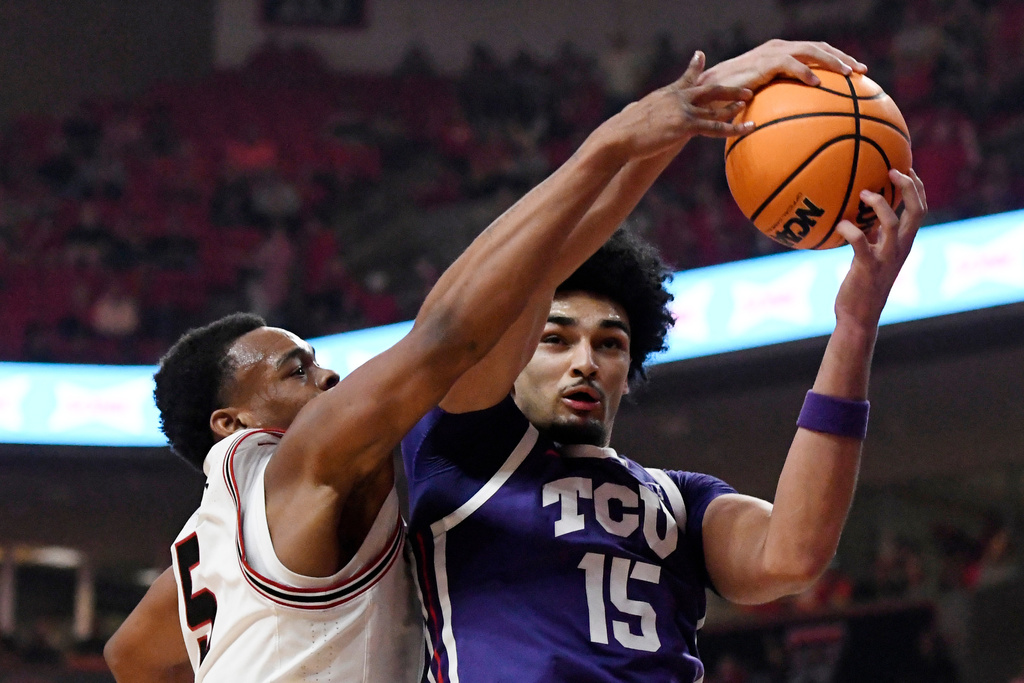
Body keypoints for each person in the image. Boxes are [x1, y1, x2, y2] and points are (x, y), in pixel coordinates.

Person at [102, 50, 757, 682]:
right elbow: (450, 333)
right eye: (295, 371)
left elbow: (130, 654)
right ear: (233, 420)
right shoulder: (306, 462)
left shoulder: (210, 540)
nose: (329, 378)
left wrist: (655, 141)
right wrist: (614, 143)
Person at [401, 60, 928, 683]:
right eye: (554, 339)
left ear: (632, 367)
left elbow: (792, 555)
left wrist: (856, 323)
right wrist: (678, 113)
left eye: (611, 344)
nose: (585, 362)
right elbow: (518, 278)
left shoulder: (682, 501)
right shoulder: (455, 448)